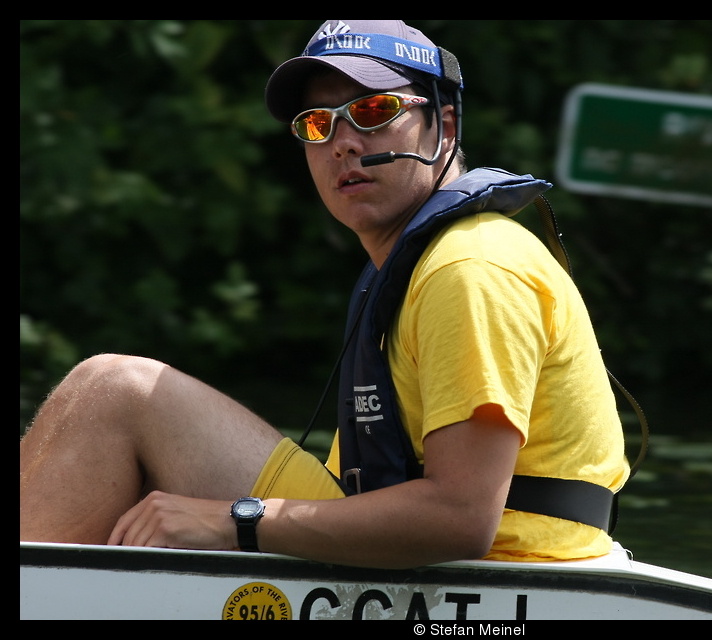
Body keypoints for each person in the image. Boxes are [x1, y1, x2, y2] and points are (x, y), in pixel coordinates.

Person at [19, 19, 629, 569]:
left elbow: (462, 519)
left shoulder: (469, 267)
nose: (343, 143)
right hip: (444, 547)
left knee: (114, 391)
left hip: (505, 569)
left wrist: (234, 522)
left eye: (372, 112)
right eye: (317, 125)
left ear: (443, 127)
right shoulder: (417, 262)